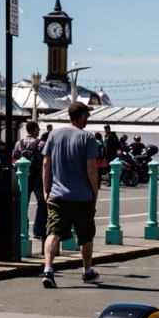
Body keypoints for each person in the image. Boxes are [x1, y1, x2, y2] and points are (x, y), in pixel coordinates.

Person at [41, 101, 100, 289]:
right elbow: (92, 170)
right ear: (81, 116)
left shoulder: (54, 135)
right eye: (87, 116)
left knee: (53, 232)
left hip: (57, 195)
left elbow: (45, 164)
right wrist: (94, 192)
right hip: (82, 196)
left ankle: (48, 270)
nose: (88, 119)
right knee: (86, 235)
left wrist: (45, 189)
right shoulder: (88, 138)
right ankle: (87, 271)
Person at [13, 121, 46, 240]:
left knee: (23, 204)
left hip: (23, 177)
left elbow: (15, 158)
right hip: (37, 177)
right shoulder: (41, 143)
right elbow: (45, 160)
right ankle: (38, 231)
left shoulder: (18, 143)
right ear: (35, 129)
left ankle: (23, 229)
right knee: (42, 203)